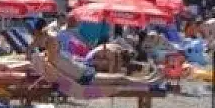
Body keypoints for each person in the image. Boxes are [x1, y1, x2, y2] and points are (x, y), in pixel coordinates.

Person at [27, 19, 159, 86]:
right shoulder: (52, 58)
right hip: (85, 77)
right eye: (55, 42)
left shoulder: (52, 55)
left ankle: (146, 80)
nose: (58, 42)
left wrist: (35, 44)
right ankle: (147, 82)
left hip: (85, 71)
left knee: (120, 77)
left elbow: (48, 39)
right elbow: (49, 40)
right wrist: (35, 44)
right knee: (119, 79)